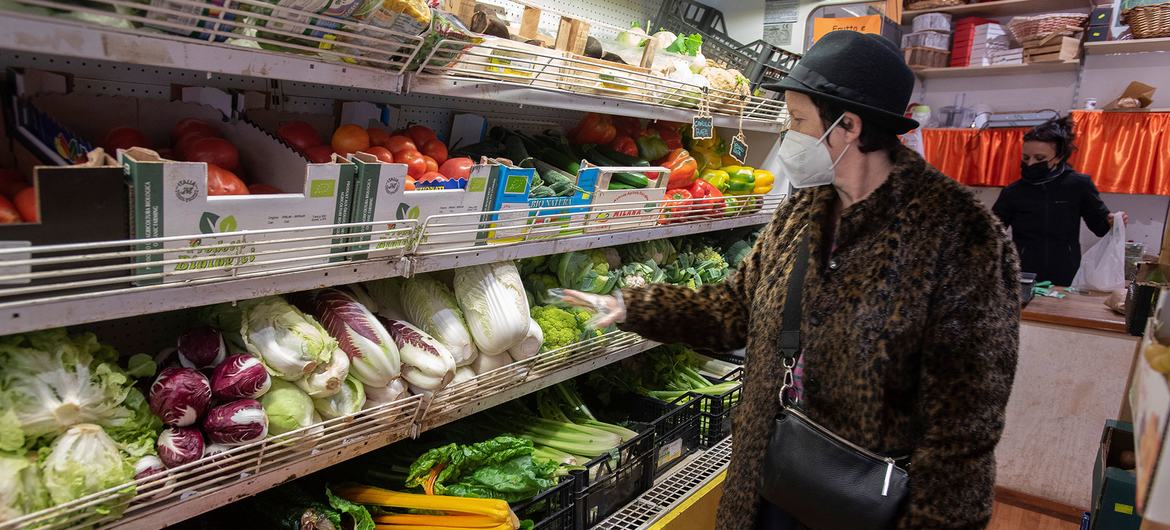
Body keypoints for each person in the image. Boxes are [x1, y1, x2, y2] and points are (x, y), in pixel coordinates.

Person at [563, 30, 1020, 529]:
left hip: (866, 499)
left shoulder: (959, 237)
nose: (789, 136)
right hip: (774, 473)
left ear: (847, 126)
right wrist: (636, 306)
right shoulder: (804, 210)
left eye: (798, 121)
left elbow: (963, 428)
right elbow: (735, 309)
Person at [992, 116, 1124, 285]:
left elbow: (1100, 227)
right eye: (1025, 158)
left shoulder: (1078, 185)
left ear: (1058, 157)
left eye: (1039, 158)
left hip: (1064, 272)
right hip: (1022, 273)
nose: (1031, 163)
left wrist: (1113, 222)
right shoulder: (1013, 191)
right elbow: (992, 232)